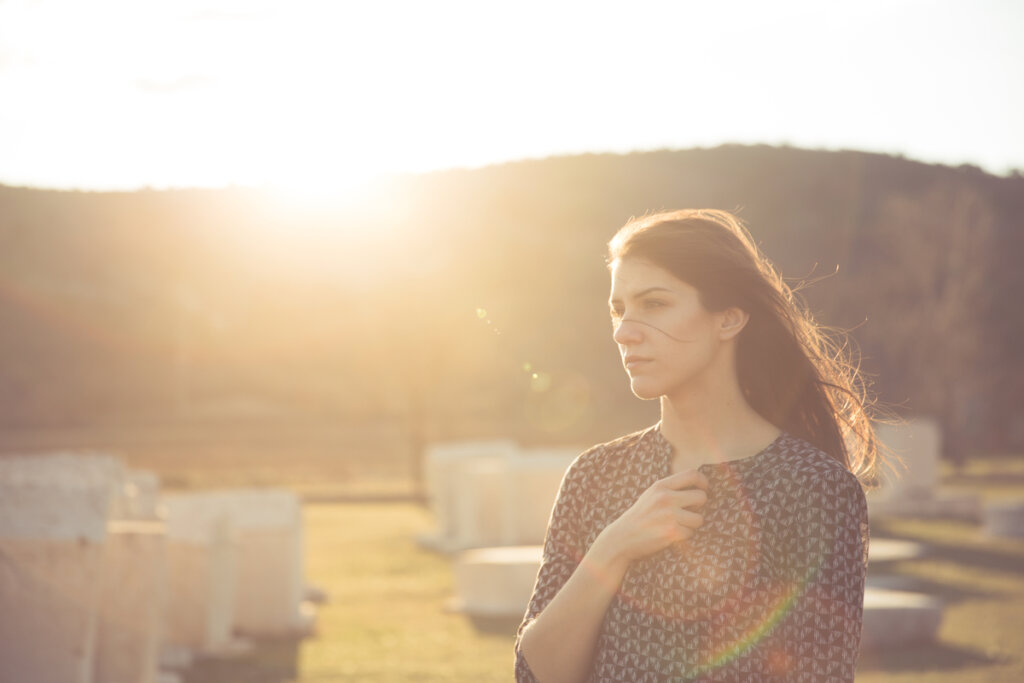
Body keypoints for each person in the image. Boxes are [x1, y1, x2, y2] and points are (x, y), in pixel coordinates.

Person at [514, 209, 888, 682]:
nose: (624, 331)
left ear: (728, 319)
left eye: (654, 304)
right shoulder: (594, 475)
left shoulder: (814, 487)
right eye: (618, 309)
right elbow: (536, 673)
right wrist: (613, 548)